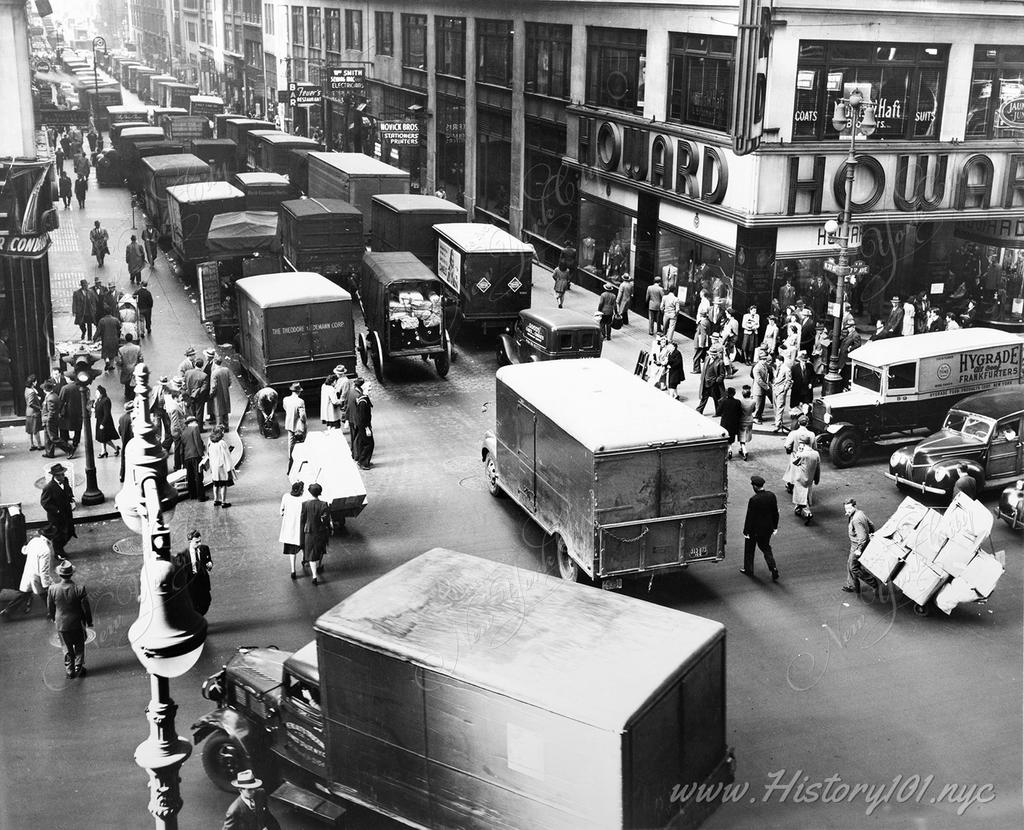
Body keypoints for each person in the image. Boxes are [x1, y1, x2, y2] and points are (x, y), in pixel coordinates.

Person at [47, 559, 93, 679]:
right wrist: (89, 621)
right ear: (71, 574)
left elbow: (50, 607)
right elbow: (86, 608)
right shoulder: (79, 588)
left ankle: (70, 670)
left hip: (61, 624)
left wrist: (54, 618)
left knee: (66, 647)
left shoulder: (52, 589)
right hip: (77, 623)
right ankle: (78, 667)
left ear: (59, 574)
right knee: (79, 645)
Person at [0, 525, 57, 617]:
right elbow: (43, 570)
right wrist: (46, 584)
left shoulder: (34, 541)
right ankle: (52, 613)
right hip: (37, 577)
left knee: (24, 594)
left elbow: (24, 551)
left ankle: (7, 611)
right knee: (45, 595)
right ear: (51, 537)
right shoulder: (46, 550)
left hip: (28, 572)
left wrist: (25, 544)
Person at [740, 475, 780, 581]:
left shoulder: (754, 499)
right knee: (766, 548)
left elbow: (750, 517)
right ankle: (773, 568)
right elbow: (775, 513)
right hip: (768, 529)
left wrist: (746, 531)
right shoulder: (771, 496)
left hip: (755, 530)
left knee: (749, 549)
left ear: (755, 487)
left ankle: (748, 569)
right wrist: (775, 527)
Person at [842, 498, 879, 596]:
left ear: (855, 506)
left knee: (854, 567)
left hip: (858, 546)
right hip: (856, 544)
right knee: (850, 563)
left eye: (849, 508)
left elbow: (862, 538)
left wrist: (859, 549)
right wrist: (871, 532)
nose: (847, 511)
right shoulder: (859, 513)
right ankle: (853, 586)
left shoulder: (856, 520)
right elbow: (871, 524)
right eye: (846, 509)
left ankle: (873, 582)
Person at [40, 463, 76, 557]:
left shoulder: (65, 480)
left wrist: (70, 498)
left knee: (68, 531)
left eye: (63, 474)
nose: (63, 476)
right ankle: (58, 553)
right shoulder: (49, 487)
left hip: (67, 512)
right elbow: (45, 502)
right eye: (60, 474)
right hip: (56, 517)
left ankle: (60, 549)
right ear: (55, 476)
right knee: (58, 535)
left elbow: (68, 490)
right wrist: (56, 511)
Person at [176, 529, 213, 615]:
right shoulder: (183, 556)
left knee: (206, 601)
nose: (199, 544)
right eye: (196, 542)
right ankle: (197, 618)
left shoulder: (205, 549)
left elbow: (209, 560)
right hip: (190, 582)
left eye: (200, 541)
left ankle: (199, 616)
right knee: (193, 602)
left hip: (202, 580)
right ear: (190, 541)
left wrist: (210, 564)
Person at [300, 483, 331, 585]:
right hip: (320, 532)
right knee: (320, 549)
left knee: (310, 553)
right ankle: (319, 565)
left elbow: (302, 519)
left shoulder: (305, 504)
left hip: (309, 532)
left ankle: (314, 576)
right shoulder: (323, 504)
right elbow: (326, 520)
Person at [280, 481, 308, 579]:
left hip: (289, 529)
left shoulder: (286, 497)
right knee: (303, 545)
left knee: (292, 551)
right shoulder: (304, 500)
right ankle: (305, 560)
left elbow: (281, 511)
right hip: (300, 528)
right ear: (301, 491)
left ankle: (293, 570)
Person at [790, 440, 821, 525]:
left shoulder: (802, 454)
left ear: (803, 444)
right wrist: (817, 478)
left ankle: (807, 513)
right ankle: (799, 508)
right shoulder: (816, 454)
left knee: (801, 496)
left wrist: (798, 452)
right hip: (810, 479)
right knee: (806, 495)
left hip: (800, 478)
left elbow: (794, 462)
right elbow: (818, 467)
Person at [204, 427, 235, 507]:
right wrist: (230, 467)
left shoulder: (210, 442)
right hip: (221, 465)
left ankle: (216, 500)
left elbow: (208, 453)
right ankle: (223, 502)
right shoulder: (222, 443)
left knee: (215, 483)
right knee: (223, 484)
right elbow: (226, 455)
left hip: (213, 465)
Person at [40, 380, 70, 458]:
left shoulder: (51, 398)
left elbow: (52, 412)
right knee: (48, 438)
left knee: (53, 438)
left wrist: (48, 421)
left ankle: (69, 449)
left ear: (45, 389)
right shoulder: (53, 395)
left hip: (50, 421)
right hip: (48, 419)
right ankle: (49, 453)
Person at [180, 416, 207, 502]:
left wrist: (182, 460)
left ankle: (192, 495)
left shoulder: (183, 432)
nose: (196, 423)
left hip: (187, 457)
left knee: (190, 477)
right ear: (191, 423)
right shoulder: (195, 429)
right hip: (195, 455)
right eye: (195, 422)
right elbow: (197, 442)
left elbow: (182, 448)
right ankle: (201, 496)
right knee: (198, 476)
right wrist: (201, 454)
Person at [695, 344, 726, 415]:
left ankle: (718, 412)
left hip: (714, 384)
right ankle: (699, 410)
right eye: (711, 354)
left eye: (714, 354)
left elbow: (722, 374)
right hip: (706, 382)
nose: (712, 356)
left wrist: (717, 380)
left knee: (716, 398)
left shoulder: (720, 362)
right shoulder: (707, 358)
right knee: (704, 397)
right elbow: (704, 369)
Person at [283, 382, 306, 473]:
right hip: (298, 425)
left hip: (289, 423)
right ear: (298, 392)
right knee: (300, 442)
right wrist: (303, 422)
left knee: (290, 441)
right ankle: (300, 458)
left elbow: (285, 408)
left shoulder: (286, 399)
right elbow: (302, 415)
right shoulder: (300, 401)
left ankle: (290, 456)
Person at [57, 377, 84, 453]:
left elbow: (61, 401)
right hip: (79, 410)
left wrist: (59, 411)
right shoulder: (80, 386)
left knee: (64, 426)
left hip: (67, 411)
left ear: (68, 379)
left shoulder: (65, 388)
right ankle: (76, 441)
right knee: (77, 427)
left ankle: (65, 441)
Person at [352, 379, 374, 470]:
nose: (370, 389)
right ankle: (363, 462)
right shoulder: (363, 401)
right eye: (368, 388)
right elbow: (362, 417)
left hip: (363, 425)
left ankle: (365, 461)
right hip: (364, 425)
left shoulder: (362, 398)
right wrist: (367, 428)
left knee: (363, 442)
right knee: (369, 444)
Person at [92, 385, 120, 458]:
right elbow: (98, 409)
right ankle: (104, 451)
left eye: (97, 393)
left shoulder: (106, 400)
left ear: (102, 394)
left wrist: (103, 424)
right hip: (99, 421)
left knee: (105, 438)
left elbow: (107, 413)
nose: (96, 394)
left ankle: (114, 448)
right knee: (102, 437)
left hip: (105, 422)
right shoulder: (98, 400)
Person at [116, 333, 143, 401]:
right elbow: (141, 359)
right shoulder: (137, 348)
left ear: (125, 339)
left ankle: (127, 395)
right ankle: (132, 396)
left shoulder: (121, 349)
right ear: (132, 339)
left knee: (127, 383)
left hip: (125, 369)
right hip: (135, 368)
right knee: (133, 383)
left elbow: (119, 361)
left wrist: (120, 366)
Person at [718, 387, 742, 459]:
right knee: (731, 437)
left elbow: (718, 412)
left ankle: (728, 450)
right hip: (734, 423)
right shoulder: (737, 402)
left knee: (725, 437)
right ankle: (730, 449)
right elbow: (740, 413)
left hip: (725, 423)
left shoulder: (723, 401)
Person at [772, 355, 793, 433]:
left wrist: (784, 390)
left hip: (781, 390)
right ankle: (778, 421)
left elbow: (789, 380)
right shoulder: (778, 368)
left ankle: (777, 425)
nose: (776, 363)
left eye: (777, 361)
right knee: (775, 406)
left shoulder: (786, 369)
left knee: (780, 407)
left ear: (781, 361)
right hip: (775, 389)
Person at [210, 357, 233, 429]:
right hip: (225, 392)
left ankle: (220, 427)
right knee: (225, 409)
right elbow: (229, 382)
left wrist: (211, 394)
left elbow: (213, 386)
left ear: (214, 362)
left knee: (218, 411)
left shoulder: (214, 373)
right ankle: (226, 426)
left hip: (217, 394)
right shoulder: (226, 370)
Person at [751, 349, 773, 424]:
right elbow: (759, 380)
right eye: (764, 360)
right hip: (758, 390)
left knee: (761, 405)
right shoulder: (757, 368)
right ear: (760, 360)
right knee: (758, 405)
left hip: (762, 389)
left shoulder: (764, 366)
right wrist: (766, 387)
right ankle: (755, 417)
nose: (765, 361)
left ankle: (759, 416)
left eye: (765, 360)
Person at [24, 375, 43, 451]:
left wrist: (37, 398)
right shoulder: (32, 391)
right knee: (36, 430)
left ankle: (32, 445)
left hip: (28, 412)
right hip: (33, 412)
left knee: (30, 430)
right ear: (33, 382)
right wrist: (39, 408)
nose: (36, 382)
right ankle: (39, 445)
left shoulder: (27, 389)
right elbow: (30, 403)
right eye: (35, 381)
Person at [737, 385, 756, 460]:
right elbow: (753, 410)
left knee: (741, 436)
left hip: (742, 420)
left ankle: (744, 450)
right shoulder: (753, 401)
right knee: (746, 435)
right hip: (749, 420)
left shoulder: (740, 402)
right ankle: (742, 449)